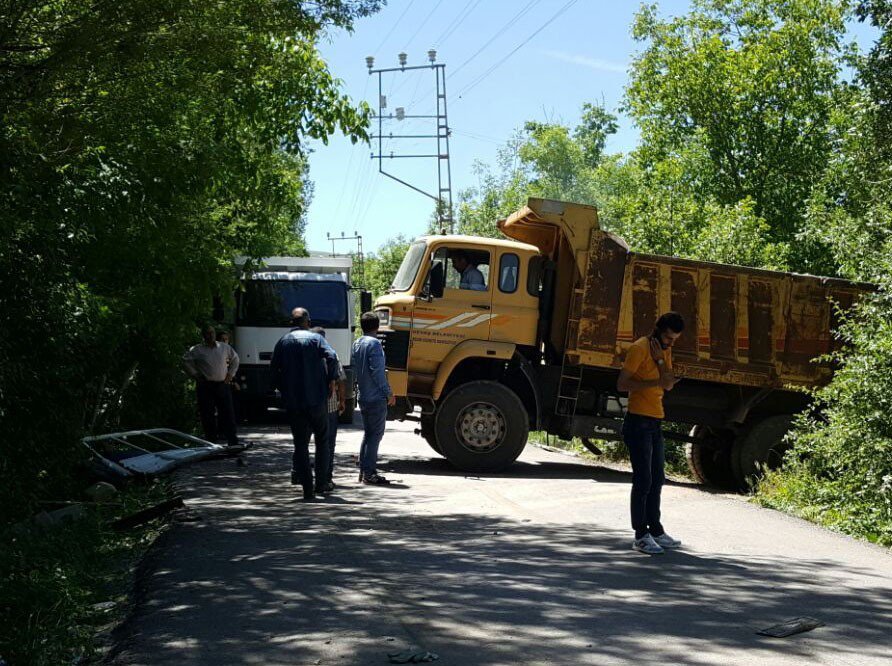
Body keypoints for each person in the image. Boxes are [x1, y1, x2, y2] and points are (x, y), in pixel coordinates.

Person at [616, 312, 685, 555]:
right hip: (638, 421)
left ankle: (655, 530)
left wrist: (659, 362)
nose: (671, 343)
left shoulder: (662, 351)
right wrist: (654, 381)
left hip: (655, 420)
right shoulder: (639, 348)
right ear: (658, 329)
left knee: (657, 478)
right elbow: (622, 384)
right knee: (643, 479)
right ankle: (641, 535)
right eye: (668, 337)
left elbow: (668, 383)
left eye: (674, 339)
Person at [270, 308, 338, 500]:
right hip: (317, 400)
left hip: (294, 402)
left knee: (300, 444)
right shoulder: (316, 339)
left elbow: (273, 370)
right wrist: (331, 380)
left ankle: (307, 489)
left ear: (291, 322)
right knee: (322, 440)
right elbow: (332, 356)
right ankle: (321, 484)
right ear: (308, 321)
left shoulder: (283, 342)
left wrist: (281, 389)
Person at [353, 312, 395, 485]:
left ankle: (364, 471)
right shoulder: (375, 344)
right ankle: (370, 473)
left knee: (368, 434)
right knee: (375, 435)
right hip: (375, 397)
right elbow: (378, 372)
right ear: (377, 326)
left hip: (362, 395)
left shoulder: (357, 343)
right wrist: (389, 392)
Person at [182, 325, 240, 448]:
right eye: (207, 333)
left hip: (222, 384)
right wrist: (195, 375)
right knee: (207, 414)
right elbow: (186, 361)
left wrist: (230, 374)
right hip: (205, 385)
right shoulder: (197, 349)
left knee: (228, 413)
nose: (210, 335)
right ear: (203, 335)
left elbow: (235, 359)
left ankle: (233, 441)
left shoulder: (224, 347)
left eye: (212, 333)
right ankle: (210, 442)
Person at [311, 326, 347, 492]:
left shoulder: (305, 356)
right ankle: (325, 478)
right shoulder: (332, 354)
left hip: (308, 404)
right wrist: (342, 400)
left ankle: (300, 474)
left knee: (303, 442)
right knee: (327, 443)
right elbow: (340, 380)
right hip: (329, 407)